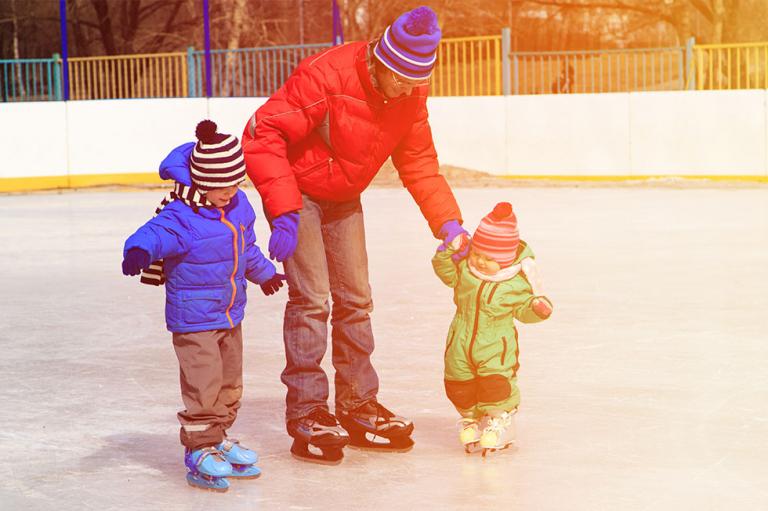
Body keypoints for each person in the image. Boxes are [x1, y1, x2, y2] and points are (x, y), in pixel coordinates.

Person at [241, 6, 468, 464]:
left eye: (416, 81)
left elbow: (419, 162)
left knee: (356, 299)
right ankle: (307, 409)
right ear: (381, 62)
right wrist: (283, 211)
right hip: (299, 192)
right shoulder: (327, 76)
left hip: (343, 196)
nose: (409, 88)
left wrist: (448, 223)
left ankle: (357, 403)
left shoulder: (410, 94)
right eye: (400, 78)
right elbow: (263, 132)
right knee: (312, 300)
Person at [121, 120, 285, 491]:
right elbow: (153, 233)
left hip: (229, 313)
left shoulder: (238, 206)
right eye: (221, 185)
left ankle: (218, 438)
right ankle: (199, 448)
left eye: (235, 183)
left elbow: (246, 248)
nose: (230, 191)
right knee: (202, 384)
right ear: (202, 182)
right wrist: (138, 251)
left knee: (229, 383)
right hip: (193, 318)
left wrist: (264, 274)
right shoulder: (182, 214)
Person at [431, 202, 553, 456]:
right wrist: (446, 251)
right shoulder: (466, 270)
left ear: (505, 259)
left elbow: (524, 308)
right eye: (477, 254)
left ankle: (501, 421)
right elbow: (445, 272)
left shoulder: (514, 284)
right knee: (457, 383)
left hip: (495, 346)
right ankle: (471, 419)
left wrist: (538, 309)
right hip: (460, 341)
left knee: (495, 385)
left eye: (489, 259)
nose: (481, 262)